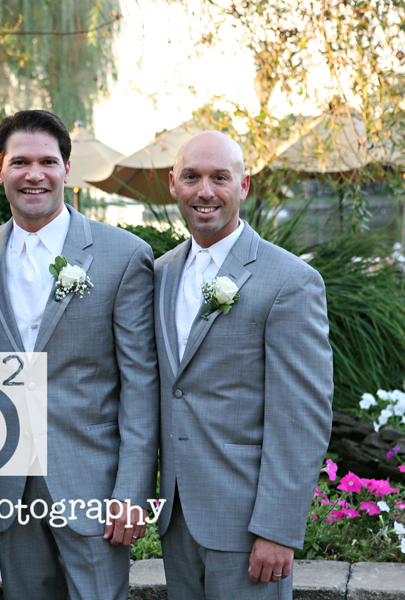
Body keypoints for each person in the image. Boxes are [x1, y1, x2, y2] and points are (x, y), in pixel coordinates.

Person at [0, 110, 159, 600]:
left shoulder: (123, 254)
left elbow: (140, 381)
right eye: (20, 162)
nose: (35, 175)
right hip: (10, 480)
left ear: (66, 170)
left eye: (47, 162)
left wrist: (131, 492)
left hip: (92, 483)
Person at [154, 130, 333, 599]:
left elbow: (302, 417)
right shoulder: (159, 273)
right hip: (176, 520)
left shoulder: (291, 281)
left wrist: (277, 528)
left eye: (220, 178)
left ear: (244, 185)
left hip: (248, 526)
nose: (205, 191)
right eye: (191, 177)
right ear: (173, 184)